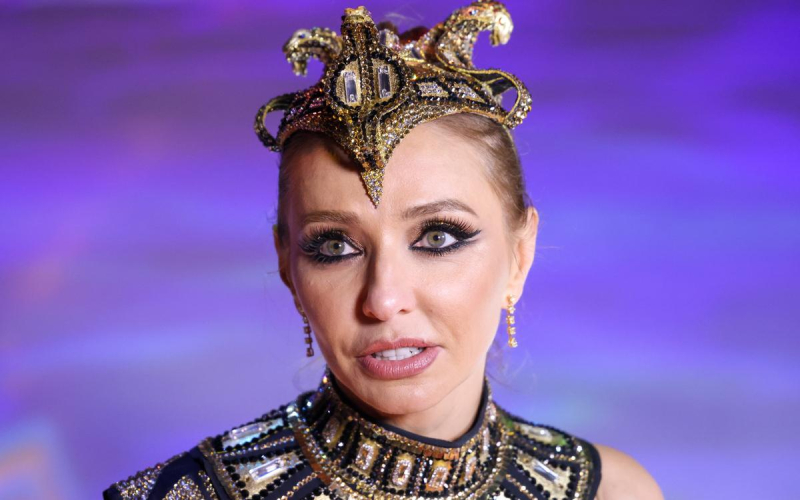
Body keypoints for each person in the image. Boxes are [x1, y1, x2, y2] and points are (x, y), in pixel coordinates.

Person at [103, 2, 662, 499]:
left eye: (438, 237)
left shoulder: (611, 493)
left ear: (520, 254)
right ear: (287, 267)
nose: (383, 299)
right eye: (335, 246)